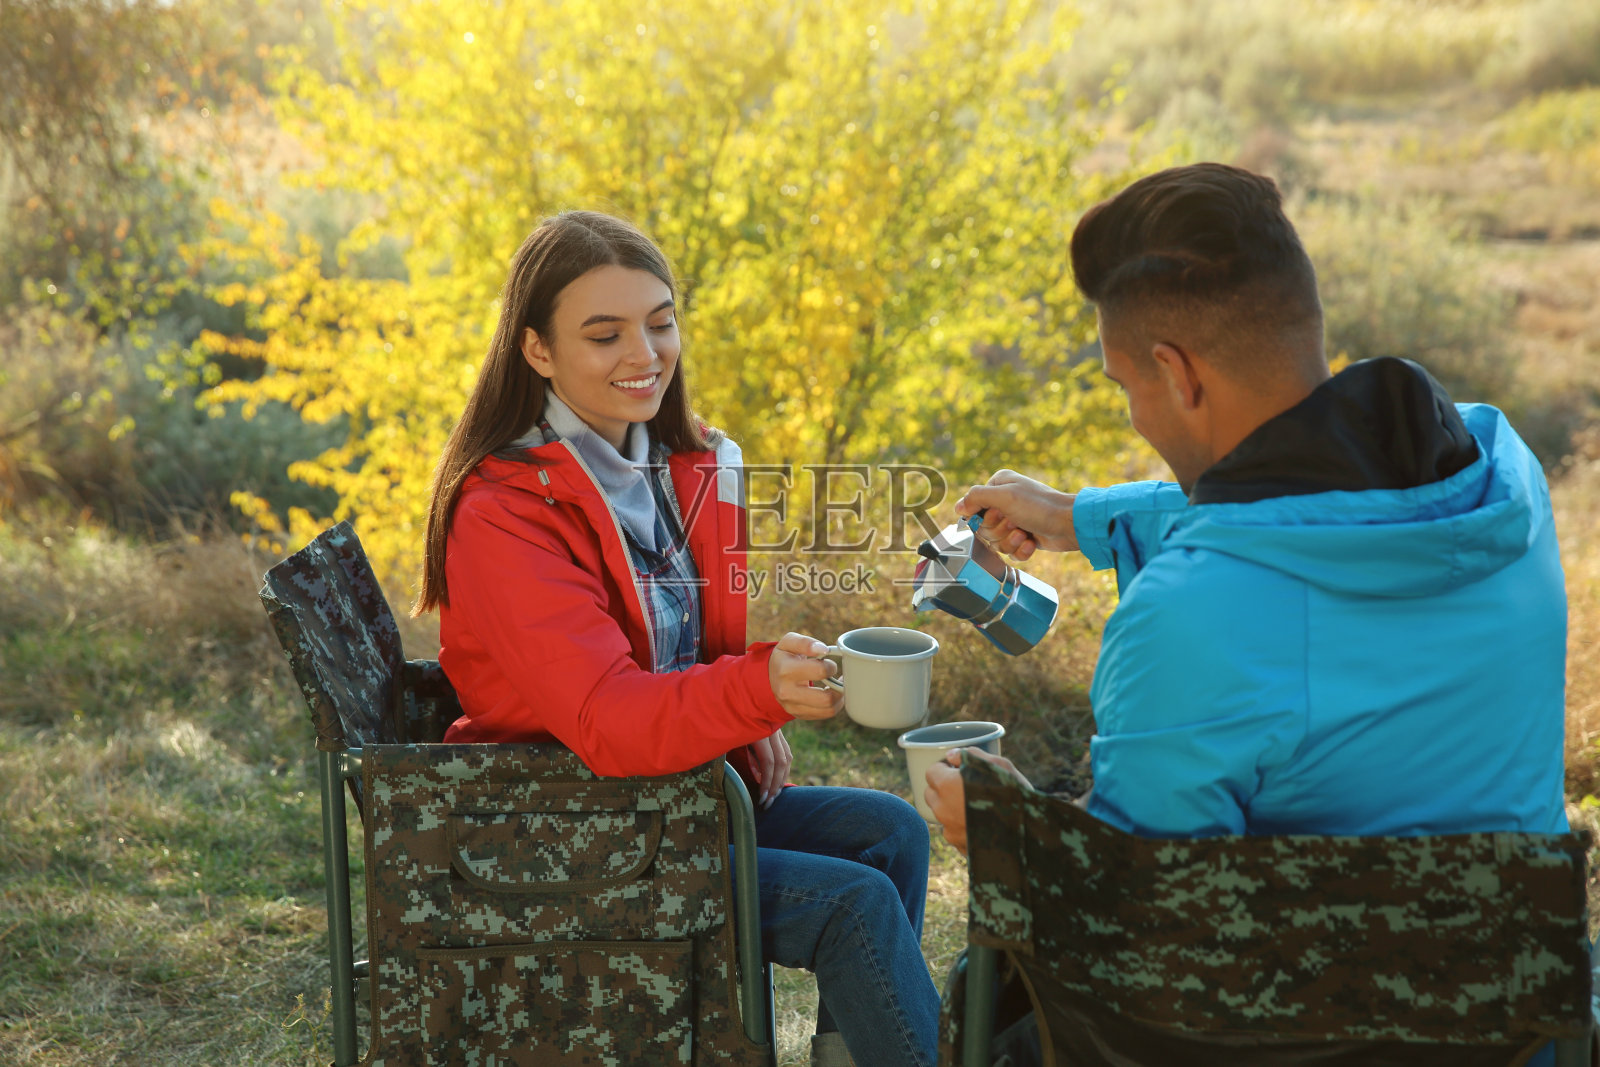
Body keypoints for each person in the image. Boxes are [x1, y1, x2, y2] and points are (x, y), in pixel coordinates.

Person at [925, 162, 1568, 1065]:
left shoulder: (1190, 618)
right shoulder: (1502, 482)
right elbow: (1324, 515)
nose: (1137, 411)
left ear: (1176, 374)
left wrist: (1011, 838)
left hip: (1299, 1041)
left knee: (989, 1004)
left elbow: (1140, 949)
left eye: (1125, 386)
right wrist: (1082, 519)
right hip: (1522, 1030)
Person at [415, 211, 940, 1067]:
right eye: (604, 333)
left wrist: (752, 707)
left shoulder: (676, 467)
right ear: (538, 350)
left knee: (891, 834)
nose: (645, 354)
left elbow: (680, 651)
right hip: (562, 827)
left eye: (660, 323)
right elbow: (609, 716)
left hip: (664, 804)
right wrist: (752, 693)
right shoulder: (506, 513)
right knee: (852, 904)